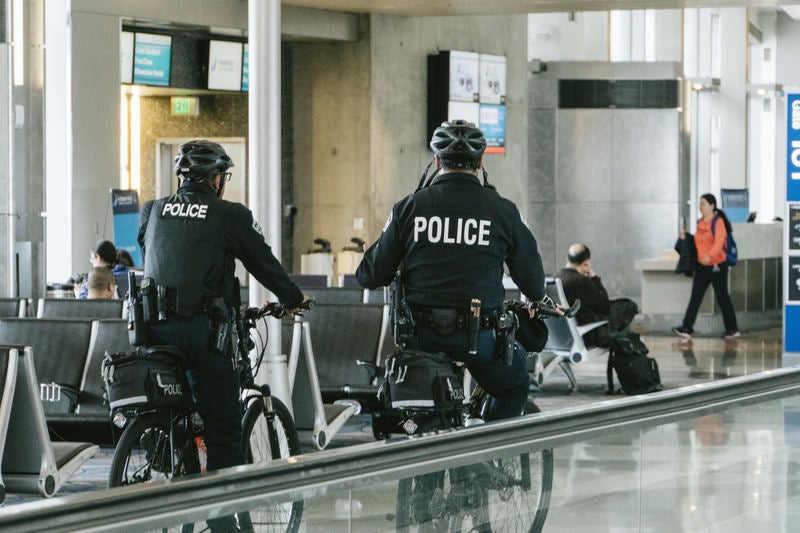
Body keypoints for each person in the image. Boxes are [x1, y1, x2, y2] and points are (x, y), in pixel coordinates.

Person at [138, 139, 306, 532]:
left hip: (151, 333)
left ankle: (171, 460)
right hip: (202, 334)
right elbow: (263, 263)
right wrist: (293, 298)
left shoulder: (153, 210)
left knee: (171, 406)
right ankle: (221, 525)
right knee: (224, 429)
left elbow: (152, 253)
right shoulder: (229, 215)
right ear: (217, 180)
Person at [356, 120, 547, 421]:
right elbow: (534, 283)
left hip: (421, 339)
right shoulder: (502, 211)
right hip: (480, 339)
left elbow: (369, 275)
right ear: (481, 162)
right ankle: (484, 459)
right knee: (514, 384)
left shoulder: (408, 208)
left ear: (436, 161)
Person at [673, 193, 740, 341]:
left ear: (712, 205)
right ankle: (687, 327)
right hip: (702, 266)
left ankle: (732, 328)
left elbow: (719, 242)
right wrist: (686, 237)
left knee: (722, 298)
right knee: (695, 297)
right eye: (700, 203)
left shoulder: (718, 222)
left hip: (717, 265)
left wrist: (710, 255)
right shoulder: (700, 223)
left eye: (703, 203)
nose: (700, 206)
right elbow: (698, 241)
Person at [556, 243, 638, 345]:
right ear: (586, 263)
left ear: (568, 259)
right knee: (629, 306)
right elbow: (604, 305)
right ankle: (627, 349)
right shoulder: (581, 281)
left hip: (567, 335)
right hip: (588, 334)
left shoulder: (557, 278)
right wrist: (594, 279)